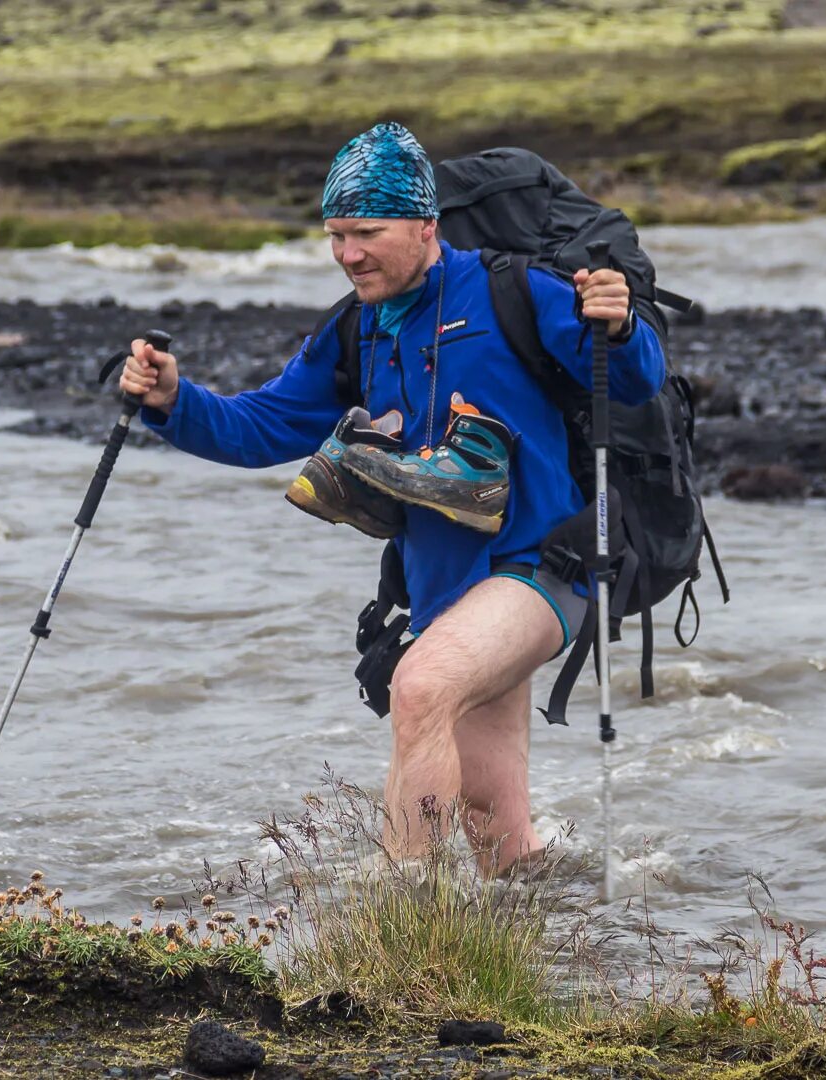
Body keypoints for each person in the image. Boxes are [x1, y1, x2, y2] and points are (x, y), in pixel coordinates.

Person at [120, 122, 665, 876]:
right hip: (445, 588)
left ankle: (402, 928)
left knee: (421, 687)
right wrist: (174, 401)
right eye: (336, 235)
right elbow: (261, 425)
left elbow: (631, 380)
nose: (349, 255)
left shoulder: (516, 291)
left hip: (543, 565)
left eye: (367, 232)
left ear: (425, 226)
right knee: (498, 835)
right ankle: (556, 945)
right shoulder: (356, 331)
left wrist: (624, 320)